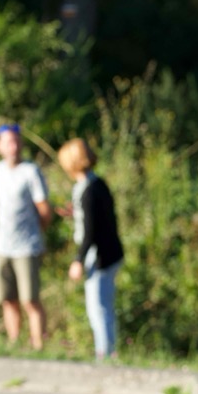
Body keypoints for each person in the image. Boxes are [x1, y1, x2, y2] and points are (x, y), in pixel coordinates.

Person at [57, 138, 124, 360]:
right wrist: (77, 213)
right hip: (111, 253)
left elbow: (90, 232)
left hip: (100, 258)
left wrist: (78, 260)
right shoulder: (98, 183)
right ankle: (108, 351)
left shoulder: (88, 191)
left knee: (98, 307)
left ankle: (104, 353)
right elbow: (96, 218)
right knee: (104, 305)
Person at [0, 122, 52, 350]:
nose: (14, 147)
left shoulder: (30, 171)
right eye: (9, 142)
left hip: (26, 247)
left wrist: (37, 234)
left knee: (30, 300)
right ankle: (14, 345)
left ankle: (38, 346)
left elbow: (45, 210)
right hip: (1, 246)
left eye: (17, 142)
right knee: (8, 299)